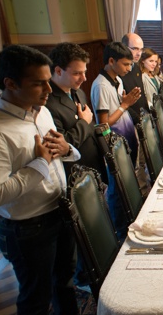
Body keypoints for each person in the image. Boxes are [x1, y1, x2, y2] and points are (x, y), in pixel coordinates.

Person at [0, 45, 95, 315]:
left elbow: (58, 154)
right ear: (10, 83)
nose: (49, 89)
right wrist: (38, 163)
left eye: (49, 80)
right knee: (35, 298)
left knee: (64, 276)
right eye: (39, 82)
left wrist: (66, 149)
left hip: (58, 211)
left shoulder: (42, 111)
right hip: (27, 228)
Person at [90, 41, 142, 239]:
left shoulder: (117, 80)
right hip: (114, 143)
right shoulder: (101, 85)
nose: (129, 69)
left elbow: (120, 104)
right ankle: (120, 230)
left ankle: (129, 219)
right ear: (111, 61)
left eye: (130, 65)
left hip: (127, 137)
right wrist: (125, 105)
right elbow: (103, 125)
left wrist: (125, 101)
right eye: (125, 64)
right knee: (116, 189)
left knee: (127, 183)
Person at [45, 42, 107, 182]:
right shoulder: (47, 104)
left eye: (84, 72)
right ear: (59, 71)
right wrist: (83, 122)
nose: (84, 78)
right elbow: (61, 145)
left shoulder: (78, 92)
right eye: (77, 73)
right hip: (76, 173)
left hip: (94, 164)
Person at [121, 33, 150, 195]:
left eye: (141, 49)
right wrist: (138, 119)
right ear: (125, 47)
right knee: (137, 162)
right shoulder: (122, 71)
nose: (139, 53)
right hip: (129, 122)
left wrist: (147, 115)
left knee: (144, 158)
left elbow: (142, 96)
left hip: (142, 117)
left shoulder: (136, 67)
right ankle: (140, 193)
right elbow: (123, 102)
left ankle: (144, 188)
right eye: (134, 49)